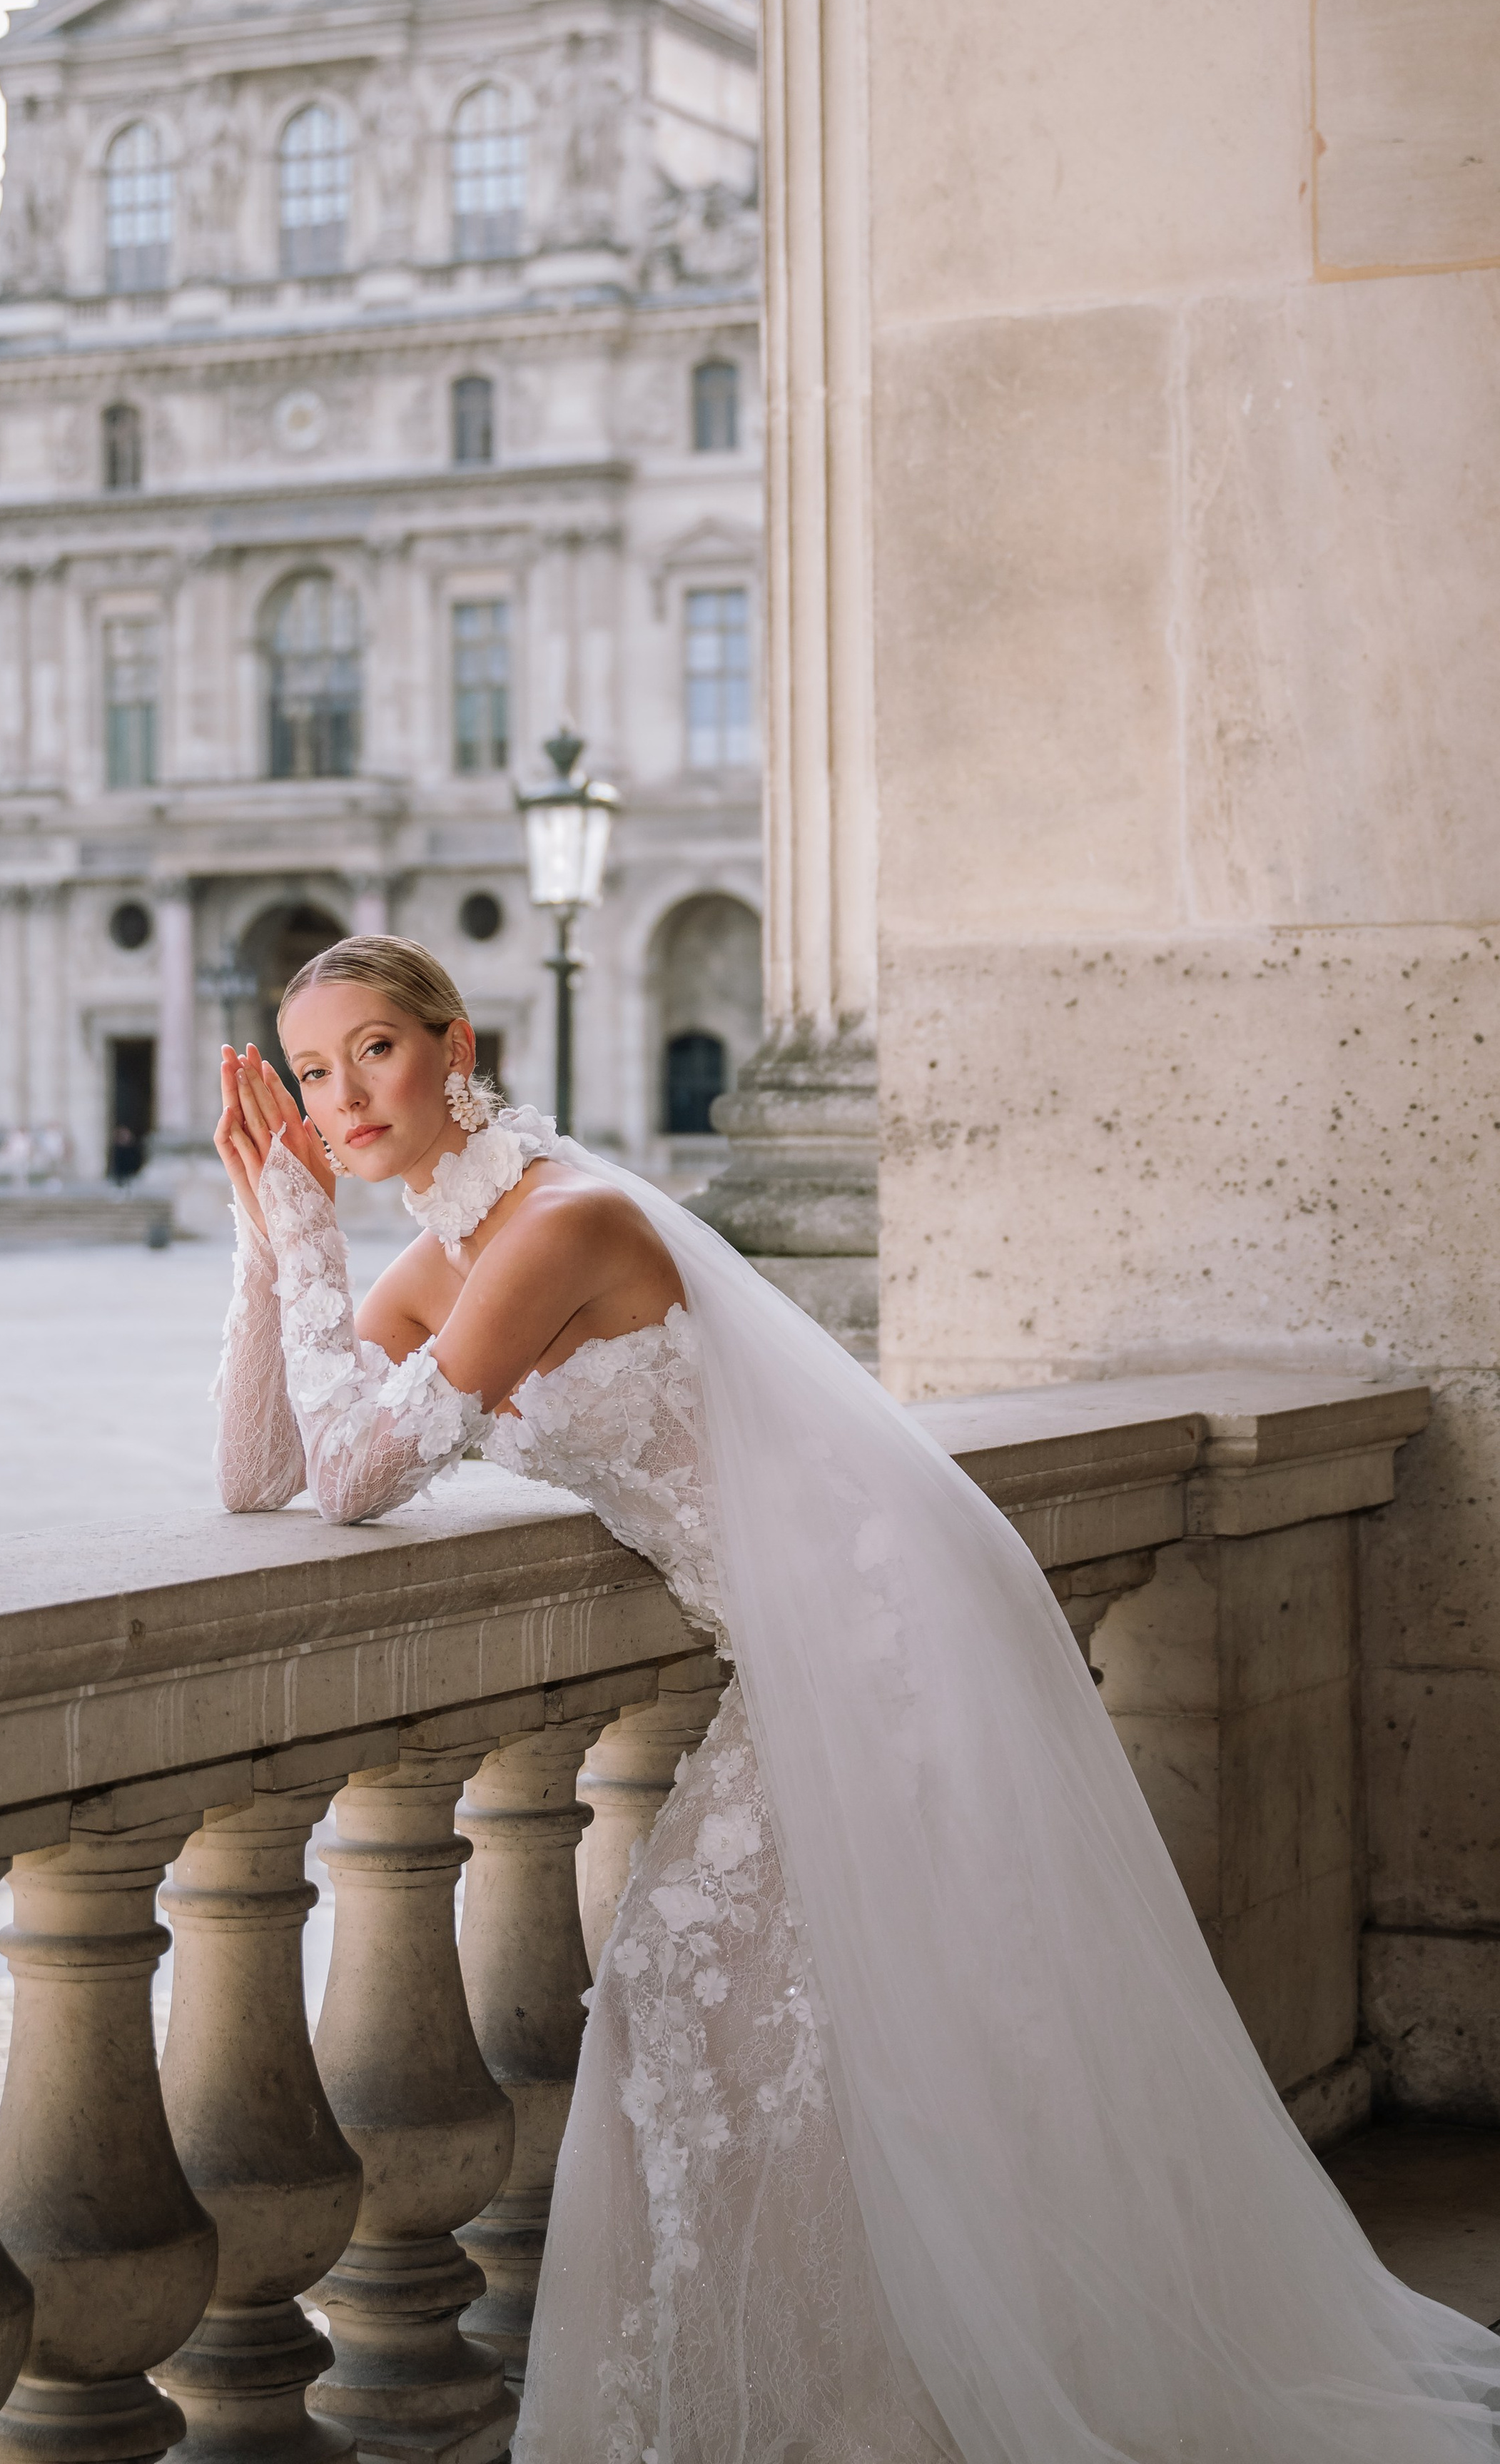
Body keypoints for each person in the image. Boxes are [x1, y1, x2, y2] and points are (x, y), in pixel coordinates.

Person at [213, 936, 1500, 2464]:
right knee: (765, 2025)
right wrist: (259, 1234)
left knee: (740, 2007)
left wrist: (308, 1247)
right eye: (307, 1072)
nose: (339, 1096)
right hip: (809, 1633)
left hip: (890, 1619)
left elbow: (357, 1477)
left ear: (453, 1042)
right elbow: (264, 1469)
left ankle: (874, 2405)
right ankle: (846, 2401)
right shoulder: (441, 1264)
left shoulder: (564, 1220)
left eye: (371, 1049)